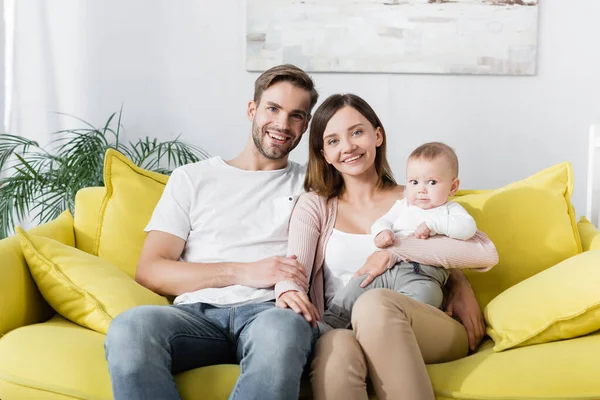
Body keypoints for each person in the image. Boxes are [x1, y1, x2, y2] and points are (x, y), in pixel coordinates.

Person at [104, 64, 323, 400]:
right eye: (273, 109)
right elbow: (150, 270)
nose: (282, 124)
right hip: (194, 317)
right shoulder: (192, 178)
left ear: (306, 125)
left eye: (296, 115)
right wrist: (243, 272)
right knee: (130, 328)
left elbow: (384, 201)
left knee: (284, 331)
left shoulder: (315, 185)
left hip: (271, 313)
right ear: (252, 110)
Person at [275, 93, 499, 400]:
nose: (348, 146)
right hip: (342, 326)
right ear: (324, 154)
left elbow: (483, 252)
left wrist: (395, 253)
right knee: (335, 349)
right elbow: (294, 270)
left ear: (377, 135)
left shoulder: (420, 194)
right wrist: (287, 289)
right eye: (333, 140)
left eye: (357, 132)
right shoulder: (315, 207)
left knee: (374, 304)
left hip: (423, 322)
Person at [319, 141, 480, 331]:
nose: (422, 189)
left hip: (423, 276)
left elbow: (467, 228)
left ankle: (383, 330)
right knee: (353, 290)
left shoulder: (450, 210)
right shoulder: (403, 206)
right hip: (387, 270)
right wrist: (382, 232)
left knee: (425, 298)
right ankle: (327, 327)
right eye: (414, 182)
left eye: (432, 182)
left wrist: (433, 226)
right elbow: (381, 222)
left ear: (453, 187)